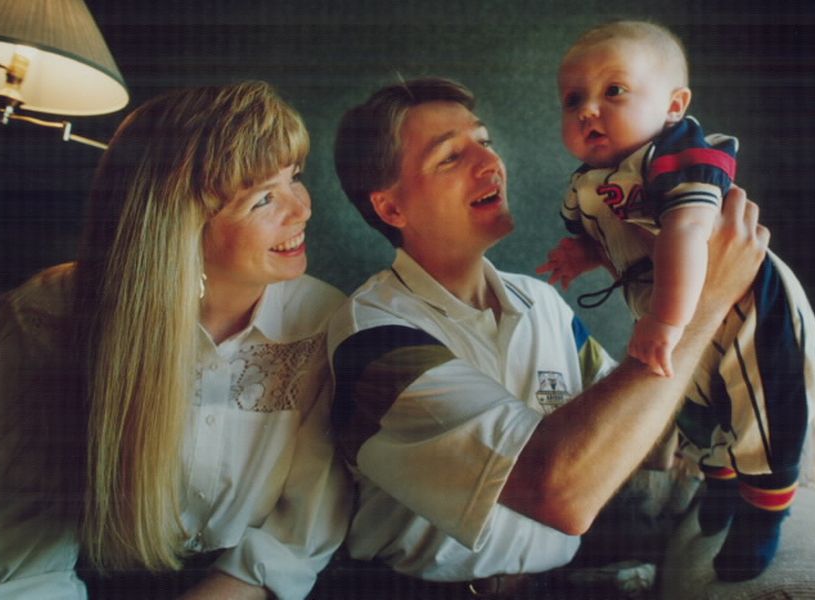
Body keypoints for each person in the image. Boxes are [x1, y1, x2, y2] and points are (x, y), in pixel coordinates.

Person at [325, 76, 768, 598]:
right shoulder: (372, 336)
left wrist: (755, 419)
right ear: (392, 209)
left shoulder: (542, 303)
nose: (491, 164)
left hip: (555, 586)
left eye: (484, 142)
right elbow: (562, 494)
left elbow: (632, 430)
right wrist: (702, 305)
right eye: (449, 157)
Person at [0, 82, 351, 599]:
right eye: (264, 199)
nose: (302, 209)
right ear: (177, 226)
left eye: (294, 179)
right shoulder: (46, 318)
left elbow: (298, 530)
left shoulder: (324, 319)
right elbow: (16, 555)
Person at [537, 20, 815, 580]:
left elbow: (688, 231)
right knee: (695, 400)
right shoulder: (586, 185)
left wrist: (668, 320)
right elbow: (610, 235)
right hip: (668, 307)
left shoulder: (678, 153)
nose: (589, 110)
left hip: (746, 302)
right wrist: (582, 255)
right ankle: (719, 481)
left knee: (759, 401)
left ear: (673, 104)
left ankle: (765, 510)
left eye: (613, 91)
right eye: (574, 99)